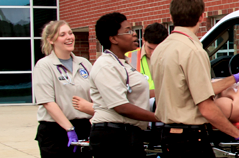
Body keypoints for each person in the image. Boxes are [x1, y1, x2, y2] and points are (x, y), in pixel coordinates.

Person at [150, 0, 239, 157]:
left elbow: (191, 90)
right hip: (190, 139)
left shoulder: (160, 50)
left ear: (171, 16)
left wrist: (236, 77)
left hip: (167, 134)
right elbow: (206, 107)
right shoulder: (193, 51)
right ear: (201, 17)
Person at [88, 12, 159, 157]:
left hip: (129, 134)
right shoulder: (105, 65)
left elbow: (136, 94)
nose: (134, 34)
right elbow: (121, 106)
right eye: (128, 31)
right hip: (113, 138)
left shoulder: (124, 63)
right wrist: (159, 117)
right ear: (113, 38)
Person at [72, 22, 168, 115]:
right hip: (139, 113)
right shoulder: (127, 58)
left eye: (158, 49)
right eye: (150, 48)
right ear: (143, 40)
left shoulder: (170, 58)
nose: (153, 53)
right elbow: (123, 97)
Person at [32, 20, 93, 158]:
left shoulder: (84, 64)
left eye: (70, 33)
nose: (69, 37)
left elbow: (95, 95)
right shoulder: (44, 66)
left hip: (83, 128)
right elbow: (47, 102)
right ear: (51, 40)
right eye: (62, 34)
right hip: (55, 131)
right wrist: (69, 129)